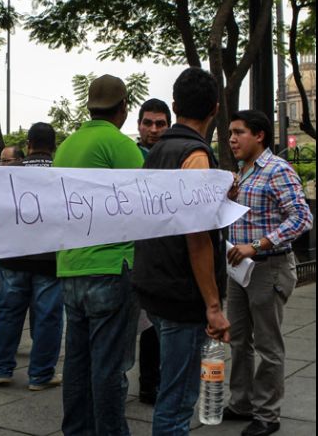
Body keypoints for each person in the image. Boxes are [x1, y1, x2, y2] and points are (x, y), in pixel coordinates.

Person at [131, 67, 231, 436]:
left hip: (154, 285)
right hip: (182, 296)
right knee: (177, 402)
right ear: (215, 110)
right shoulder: (195, 155)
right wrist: (214, 306)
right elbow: (196, 235)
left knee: (170, 392)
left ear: (174, 106)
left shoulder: (157, 152)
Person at [53, 74, 143, 436]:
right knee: (108, 367)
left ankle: (76, 430)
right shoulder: (118, 144)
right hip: (111, 266)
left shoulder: (66, 147)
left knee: (76, 364)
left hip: (71, 267)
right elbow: (147, 200)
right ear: (123, 108)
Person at [224, 110, 313, 436]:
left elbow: (302, 219)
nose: (232, 138)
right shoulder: (242, 171)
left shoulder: (278, 170)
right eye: (231, 132)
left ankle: (267, 414)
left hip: (269, 267)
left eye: (239, 132)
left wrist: (258, 245)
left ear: (259, 135)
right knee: (238, 341)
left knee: (268, 346)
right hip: (239, 270)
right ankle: (242, 403)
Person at [0, 123, 64, 391]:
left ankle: (1, 369)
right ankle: (41, 375)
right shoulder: (61, 173)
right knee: (48, 318)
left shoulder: (9, 173)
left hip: (13, 255)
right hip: (49, 259)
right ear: (53, 146)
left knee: (9, 314)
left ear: (28, 145)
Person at [134, 98, 172, 405]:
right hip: (132, 253)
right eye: (148, 123)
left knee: (154, 326)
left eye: (160, 123)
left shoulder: (174, 156)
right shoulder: (131, 156)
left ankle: (151, 384)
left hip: (163, 255)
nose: (154, 129)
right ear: (138, 125)